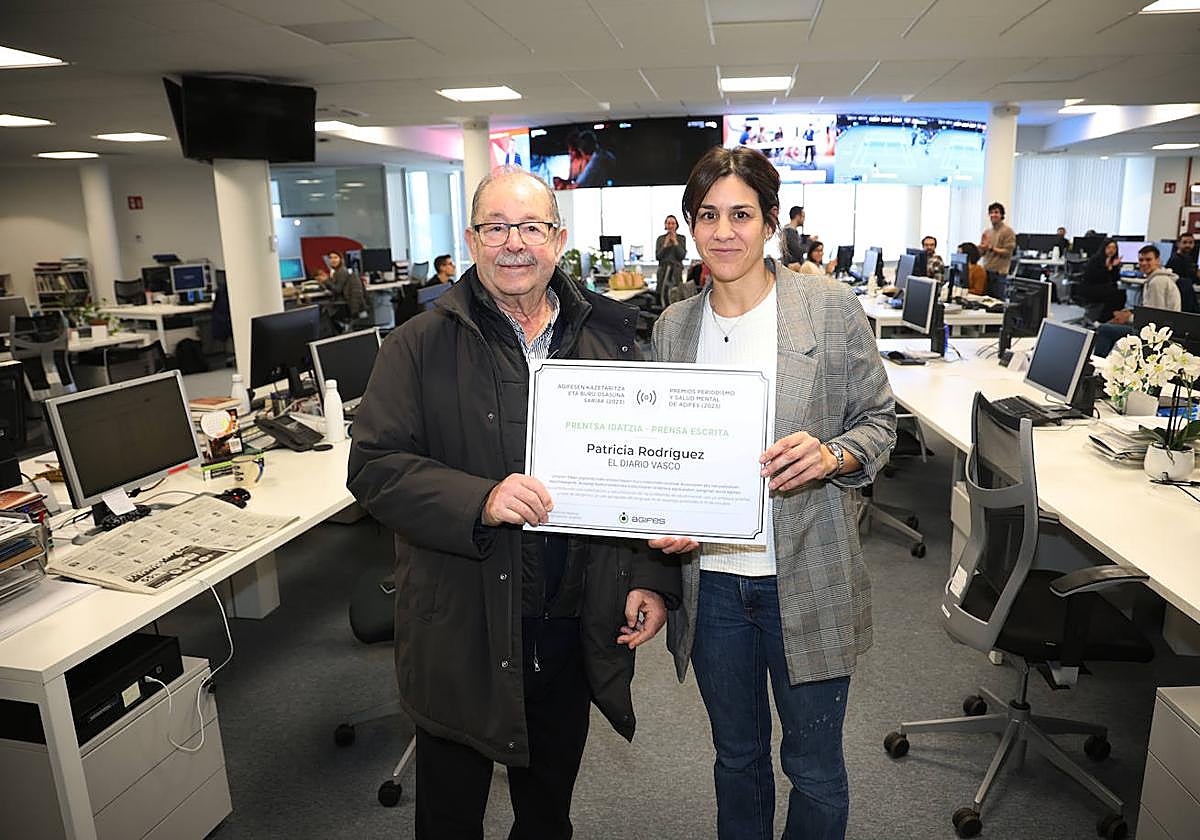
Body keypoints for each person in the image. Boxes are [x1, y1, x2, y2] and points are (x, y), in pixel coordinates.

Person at [346, 166, 678, 840]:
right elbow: (375, 469)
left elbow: (646, 477)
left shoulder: (608, 341)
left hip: (570, 618)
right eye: (496, 227)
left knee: (548, 810)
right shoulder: (418, 345)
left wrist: (650, 577)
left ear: (557, 239)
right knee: (450, 818)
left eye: (530, 227)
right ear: (472, 240)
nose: (514, 243)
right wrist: (481, 499)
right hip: (462, 623)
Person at [650, 145, 896, 840]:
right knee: (737, 759)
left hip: (807, 574)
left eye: (741, 214)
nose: (724, 231)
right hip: (715, 587)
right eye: (708, 216)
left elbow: (880, 425)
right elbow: (665, 455)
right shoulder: (673, 327)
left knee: (814, 769)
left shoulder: (827, 308)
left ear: (768, 223)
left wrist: (831, 454)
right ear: (690, 226)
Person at [1095, 244, 1182, 355]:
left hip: (1157, 336)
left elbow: (1155, 319)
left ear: (1158, 261)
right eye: (1141, 260)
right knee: (1113, 322)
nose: (1144, 263)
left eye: (1148, 259)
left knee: (1105, 330)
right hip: (1157, 330)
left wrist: (1129, 318)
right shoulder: (1157, 278)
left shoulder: (1157, 282)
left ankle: (1095, 367)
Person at [1075, 238, 1127, 322]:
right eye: (1109, 247)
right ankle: (1102, 320)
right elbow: (1094, 277)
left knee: (1121, 293)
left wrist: (1114, 267)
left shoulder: (1114, 261)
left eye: (1114, 248)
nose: (1111, 250)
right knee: (1114, 294)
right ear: (1104, 248)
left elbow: (1115, 279)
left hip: (1103, 288)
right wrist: (1108, 268)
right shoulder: (1095, 259)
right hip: (1090, 288)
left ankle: (1111, 318)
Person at [324, 250, 368, 320]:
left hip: (345, 304)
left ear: (341, 259)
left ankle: (340, 328)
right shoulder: (337, 272)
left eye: (335, 258)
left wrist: (325, 280)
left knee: (323, 311)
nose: (333, 260)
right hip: (348, 302)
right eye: (330, 258)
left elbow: (338, 290)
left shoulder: (341, 271)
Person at [979, 202, 1015, 275]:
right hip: (986, 270)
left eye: (996, 212)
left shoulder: (1008, 231)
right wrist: (981, 248)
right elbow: (982, 253)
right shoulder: (987, 232)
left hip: (999, 273)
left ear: (1001, 215)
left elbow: (1008, 252)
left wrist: (991, 248)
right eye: (991, 212)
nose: (993, 215)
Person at [1166, 232, 1199, 313]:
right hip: (1181, 299)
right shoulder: (1175, 260)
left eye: (1191, 242)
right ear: (1178, 244)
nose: (1188, 245)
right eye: (1184, 242)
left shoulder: (1188, 258)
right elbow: (1188, 279)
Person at [656, 214, 688, 293]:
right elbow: (658, 256)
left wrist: (675, 242)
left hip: (676, 272)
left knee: (676, 294)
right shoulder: (660, 239)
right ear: (665, 225)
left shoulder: (681, 238)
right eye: (668, 223)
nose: (670, 225)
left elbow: (682, 256)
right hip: (663, 271)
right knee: (662, 294)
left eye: (673, 223)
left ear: (676, 225)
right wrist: (665, 245)